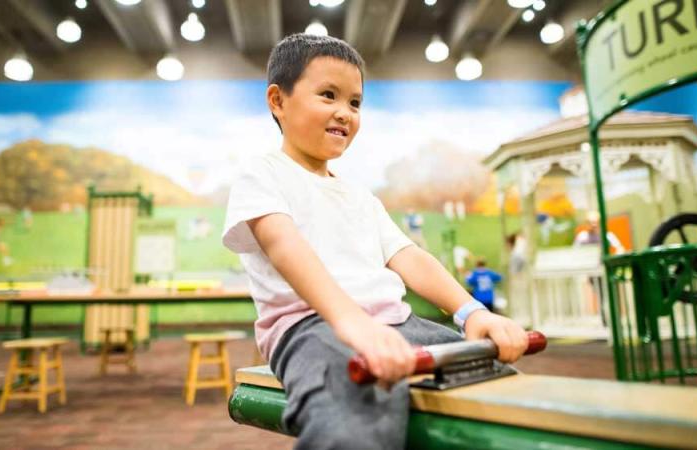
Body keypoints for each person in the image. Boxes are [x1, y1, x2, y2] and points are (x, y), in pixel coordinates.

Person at [222, 33, 527, 449]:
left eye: (355, 102)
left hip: (398, 324)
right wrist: (351, 322)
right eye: (328, 95)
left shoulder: (360, 196)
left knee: (498, 385)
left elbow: (409, 256)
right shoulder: (263, 174)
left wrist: (471, 312)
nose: (344, 113)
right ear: (277, 101)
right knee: (353, 419)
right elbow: (284, 246)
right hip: (312, 330)